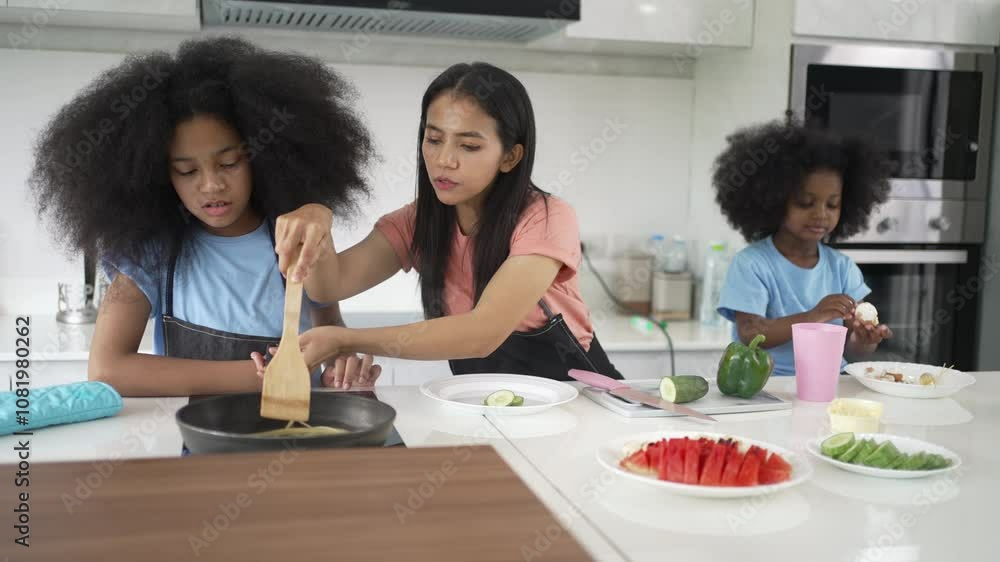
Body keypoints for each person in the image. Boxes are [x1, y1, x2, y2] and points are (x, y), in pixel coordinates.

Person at [29, 36, 381, 396]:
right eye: (186, 171)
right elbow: (107, 370)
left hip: (291, 439)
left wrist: (340, 373)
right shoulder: (151, 254)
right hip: (193, 445)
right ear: (158, 175)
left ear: (263, 158)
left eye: (229, 163)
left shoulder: (296, 238)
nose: (211, 185)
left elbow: (332, 337)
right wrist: (264, 376)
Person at [254, 62, 622, 385]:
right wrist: (318, 213)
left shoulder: (545, 217)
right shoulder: (418, 222)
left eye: (469, 146)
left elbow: (483, 333)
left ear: (510, 156)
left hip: (581, 403)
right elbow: (329, 284)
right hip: (488, 407)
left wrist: (345, 339)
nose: (444, 160)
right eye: (433, 139)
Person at [712, 117, 894, 376]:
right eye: (805, 202)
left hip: (829, 384)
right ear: (773, 201)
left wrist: (865, 340)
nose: (821, 214)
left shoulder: (842, 268)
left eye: (832, 205)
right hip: (766, 386)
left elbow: (851, 350)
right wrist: (814, 316)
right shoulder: (752, 264)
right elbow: (750, 333)